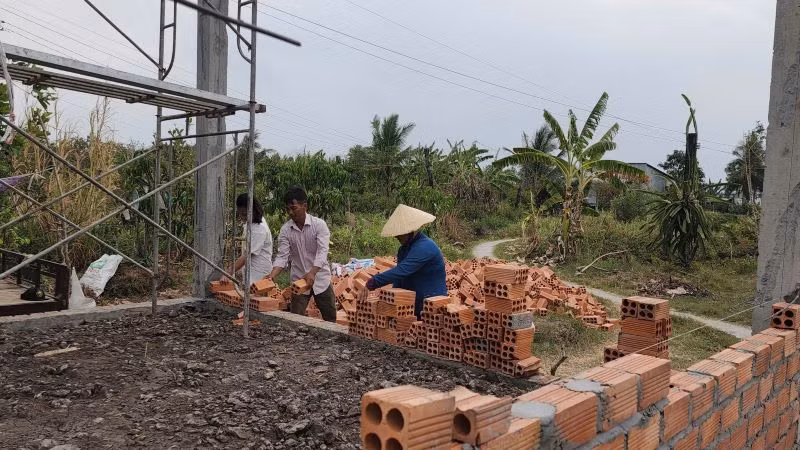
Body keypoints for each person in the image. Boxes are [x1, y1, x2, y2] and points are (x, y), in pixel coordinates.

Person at [266, 187, 336, 322]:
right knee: (295, 320)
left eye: (294, 208)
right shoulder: (286, 230)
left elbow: (323, 251)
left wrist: (313, 272)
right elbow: (282, 256)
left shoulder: (319, 225)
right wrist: (272, 275)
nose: (291, 212)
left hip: (321, 279)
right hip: (298, 281)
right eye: (287, 209)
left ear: (304, 206)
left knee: (331, 319)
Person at [366, 204, 447, 319]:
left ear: (411, 231)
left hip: (431, 304)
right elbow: (400, 278)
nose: (397, 237)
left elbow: (402, 271)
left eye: (400, 233)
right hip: (412, 304)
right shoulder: (403, 249)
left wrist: (373, 282)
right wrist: (392, 300)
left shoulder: (425, 247)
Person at [222, 193, 273, 286]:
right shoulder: (250, 224)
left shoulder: (259, 229)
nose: (242, 217)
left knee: (255, 299)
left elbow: (246, 256)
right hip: (251, 273)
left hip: (258, 276)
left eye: (245, 214)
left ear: (254, 211)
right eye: (240, 214)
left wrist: (228, 273)